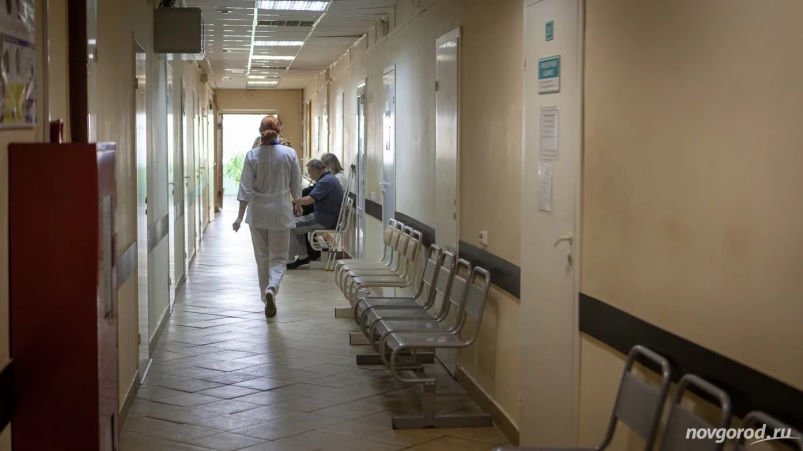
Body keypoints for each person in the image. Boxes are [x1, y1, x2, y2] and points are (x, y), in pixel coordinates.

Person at [233, 115, 303, 318]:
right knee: (279, 258)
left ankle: (266, 298)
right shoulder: (289, 154)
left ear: (260, 131)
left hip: (258, 214)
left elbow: (245, 188)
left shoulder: (252, 155)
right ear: (279, 131)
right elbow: (296, 184)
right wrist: (298, 205)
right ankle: (272, 287)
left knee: (262, 258)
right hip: (280, 211)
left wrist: (239, 217)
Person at [287, 159, 344, 269]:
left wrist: (294, 201)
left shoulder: (325, 181)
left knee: (288, 226)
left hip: (324, 219)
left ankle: (290, 260)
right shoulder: (329, 178)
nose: (310, 176)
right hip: (325, 216)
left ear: (316, 171)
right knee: (293, 223)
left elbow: (309, 200)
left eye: (310, 173)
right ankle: (303, 256)